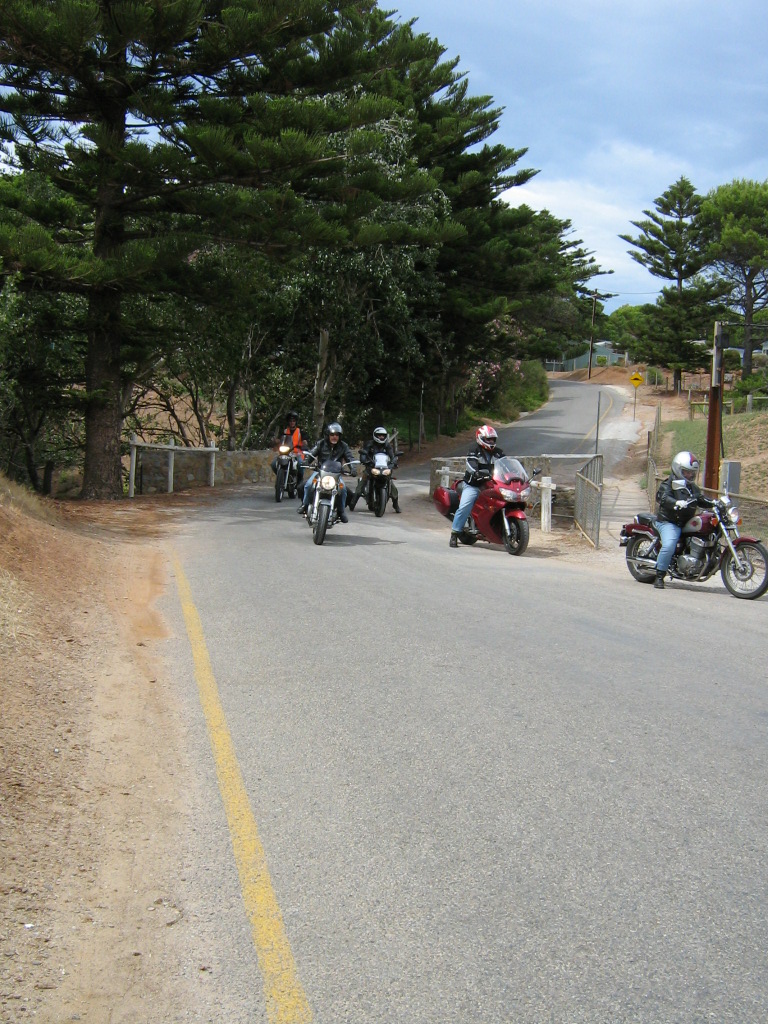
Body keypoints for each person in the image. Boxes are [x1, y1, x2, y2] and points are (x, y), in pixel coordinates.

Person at [654, 451, 715, 589]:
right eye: (686, 472)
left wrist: (715, 503)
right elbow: (663, 497)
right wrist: (676, 502)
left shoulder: (692, 487)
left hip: (686, 521)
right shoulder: (668, 484)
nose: (690, 475)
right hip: (669, 522)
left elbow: (700, 499)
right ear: (678, 469)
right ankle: (659, 575)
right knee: (669, 545)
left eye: (692, 472)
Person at [449, 425, 505, 548]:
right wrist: (476, 472)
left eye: (492, 439)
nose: (491, 441)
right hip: (474, 485)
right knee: (465, 506)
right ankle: (455, 533)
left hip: (491, 485)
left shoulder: (498, 453)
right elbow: (471, 464)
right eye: (488, 439)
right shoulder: (474, 451)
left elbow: (506, 465)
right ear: (480, 438)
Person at [298, 422, 357, 522]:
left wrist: (353, 468)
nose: (334, 437)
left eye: (337, 435)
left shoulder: (343, 446)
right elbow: (312, 453)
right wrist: (306, 461)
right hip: (320, 472)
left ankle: (341, 511)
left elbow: (349, 458)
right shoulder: (321, 444)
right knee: (308, 485)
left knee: (343, 490)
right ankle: (305, 505)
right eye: (332, 434)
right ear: (327, 435)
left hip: (336, 474)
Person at [348, 426, 400, 513]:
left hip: (384, 468)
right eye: (379, 435)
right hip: (371, 467)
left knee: (392, 485)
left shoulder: (387, 445)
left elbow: (392, 456)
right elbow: (363, 453)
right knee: (362, 483)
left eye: (383, 435)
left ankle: (396, 504)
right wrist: (364, 460)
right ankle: (353, 502)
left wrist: (393, 462)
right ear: (375, 435)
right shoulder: (369, 444)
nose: (381, 437)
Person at [270, 410, 305, 491]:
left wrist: (304, 443)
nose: (292, 422)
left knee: (300, 464)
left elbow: (305, 440)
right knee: (273, 464)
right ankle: (281, 478)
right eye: (290, 421)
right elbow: (279, 440)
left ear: (296, 422)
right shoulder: (284, 431)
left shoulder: (300, 431)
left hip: (296, 453)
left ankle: (300, 480)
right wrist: (275, 441)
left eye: (293, 421)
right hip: (285, 453)